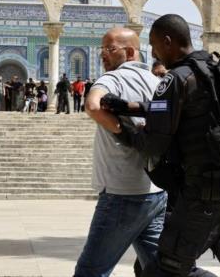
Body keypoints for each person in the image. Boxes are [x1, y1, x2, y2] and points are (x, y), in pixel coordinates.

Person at [114, 14, 220, 276]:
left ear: (168, 41)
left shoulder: (175, 79)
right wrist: (132, 106)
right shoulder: (217, 69)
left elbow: (152, 144)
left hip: (200, 197)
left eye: (155, 45)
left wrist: (121, 127)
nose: (155, 53)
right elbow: (191, 110)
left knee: (164, 270)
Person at [74, 27, 165, 276]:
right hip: (155, 193)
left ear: (130, 52)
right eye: (102, 49)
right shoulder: (158, 83)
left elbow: (92, 106)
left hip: (121, 193)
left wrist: (124, 133)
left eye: (110, 49)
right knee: (160, 270)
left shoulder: (113, 79)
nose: (103, 54)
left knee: (91, 271)